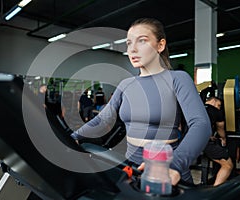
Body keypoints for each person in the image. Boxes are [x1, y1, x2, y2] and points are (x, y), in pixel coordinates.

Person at [71, 18, 211, 186]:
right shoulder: (126, 84)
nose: (133, 49)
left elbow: (201, 124)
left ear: (160, 45)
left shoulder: (177, 79)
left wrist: (175, 164)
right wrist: (73, 137)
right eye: (129, 43)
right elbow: (103, 119)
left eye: (142, 41)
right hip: (132, 169)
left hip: (166, 170)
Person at [203, 97, 233, 186]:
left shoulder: (195, 107)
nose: (219, 108)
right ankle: (215, 192)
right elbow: (220, 129)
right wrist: (223, 139)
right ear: (214, 101)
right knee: (228, 165)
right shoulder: (216, 111)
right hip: (203, 142)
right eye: (219, 105)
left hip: (185, 140)